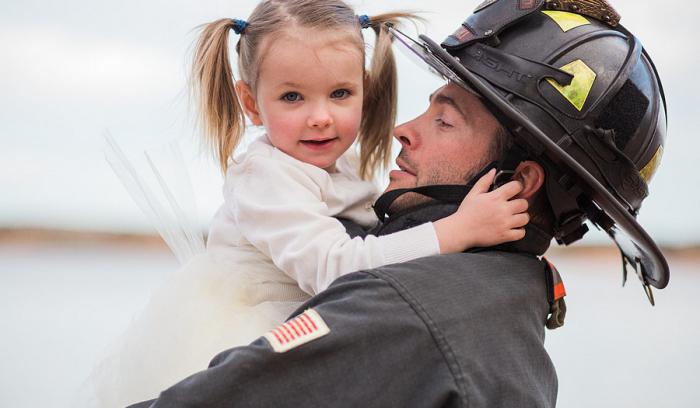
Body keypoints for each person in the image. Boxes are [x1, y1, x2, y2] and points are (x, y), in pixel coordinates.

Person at [129, 0, 669, 407]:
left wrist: (454, 229)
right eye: (293, 96)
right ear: (253, 100)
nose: (399, 131)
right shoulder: (514, 296)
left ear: (520, 181)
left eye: (443, 119)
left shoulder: (396, 308)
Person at [86, 1, 530, 406]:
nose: (320, 117)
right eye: (292, 97)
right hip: (251, 334)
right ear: (251, 104)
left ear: (365, 89)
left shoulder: (343, 165)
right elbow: (338, 268)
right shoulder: (266, 177)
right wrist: (460, 230)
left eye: (340, 94)